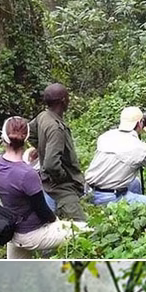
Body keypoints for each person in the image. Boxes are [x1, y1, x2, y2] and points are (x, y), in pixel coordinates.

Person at [0, 117, 88, 259]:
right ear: (27, 137)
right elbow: (42, 210)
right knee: (86, 231)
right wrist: (58, 223)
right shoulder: (28, 174)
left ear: (3, 136)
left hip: (11, 230)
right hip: (30, 234)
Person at [29, 83, 87, 221]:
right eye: (67, 96)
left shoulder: (43, 116)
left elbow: (30, 132)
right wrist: (63, 177)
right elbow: (51, 165)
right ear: (63, 100)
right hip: (62, 187)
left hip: (48, 182)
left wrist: (40, 148)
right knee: (82, 227)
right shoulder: (56, 129)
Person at [84, 106, 146, 205]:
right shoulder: (137, 147)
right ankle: (130, 210)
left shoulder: (106, 136)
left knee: (135, 182)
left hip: (90, 191)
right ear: (139, 123)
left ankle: (132, 210)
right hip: (109, 197)